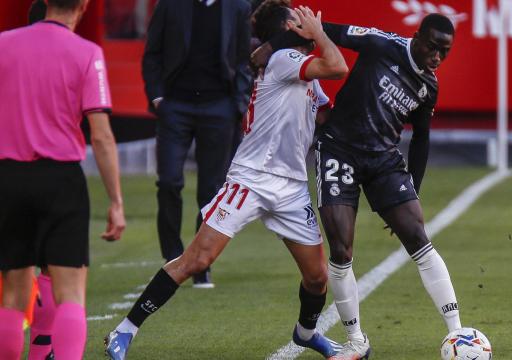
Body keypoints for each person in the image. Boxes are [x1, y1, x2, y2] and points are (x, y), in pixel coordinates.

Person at [105, 3, 348, 359]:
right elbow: (338, 66)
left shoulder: (293, 67)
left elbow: (323, 113)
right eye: (298, 19)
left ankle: (306, 333)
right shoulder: (283, 61)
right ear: (284, 29)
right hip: (251, 178)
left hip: (292, 186)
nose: (306, 22)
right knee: (197, 259)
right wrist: (321, 33)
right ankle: (124, 330)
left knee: (316, 277)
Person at [255, 13, 462, 359]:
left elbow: (421, 138)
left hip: (383, 159)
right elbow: (322, 32)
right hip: (340, 149)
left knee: (417, 235)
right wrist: (271, 46)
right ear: (417, 37)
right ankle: (355, 341)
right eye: (433, 46)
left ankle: (457, 333)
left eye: (445, 51)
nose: (437, 56)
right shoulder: (381, 43)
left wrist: (414, 187)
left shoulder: (429, 85)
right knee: (341, 249)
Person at [0, 0, 126, 358]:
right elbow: (100, 136)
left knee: (11, 296)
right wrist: (116, 202)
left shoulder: (4, 44)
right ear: (84, 5)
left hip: (9, 177)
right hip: (60, 180)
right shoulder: (88, 53)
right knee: (70, 292)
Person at [142, 0, 253, 288]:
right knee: (168, 182)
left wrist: (237, 105)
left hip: (220, 106)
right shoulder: (170, 5)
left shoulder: (238, 7)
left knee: (211, 189)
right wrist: (157, 97)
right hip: (175, 105)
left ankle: (200, 264)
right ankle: (173, 257)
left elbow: (243, 59)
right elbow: (152, 53)